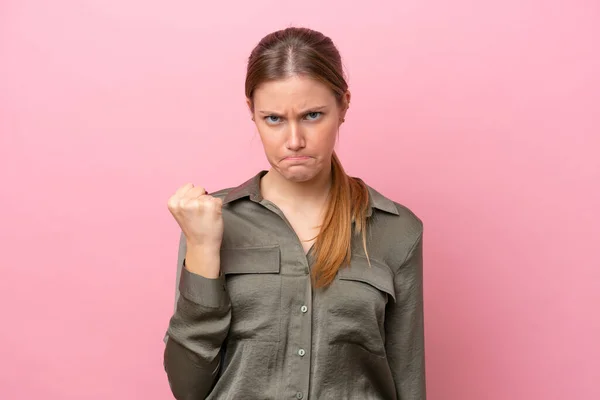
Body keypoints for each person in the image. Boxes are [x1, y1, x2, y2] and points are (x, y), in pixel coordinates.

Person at [163, 26, 426, 400]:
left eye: (313, 115)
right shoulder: (210, 221)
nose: (294, 140)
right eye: (273, 119)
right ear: (252, 112)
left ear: (344, 106)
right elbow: (187, 388)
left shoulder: (397, 231)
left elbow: (408, 378)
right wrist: (202, 246)